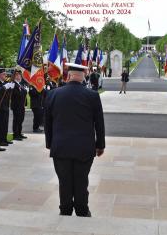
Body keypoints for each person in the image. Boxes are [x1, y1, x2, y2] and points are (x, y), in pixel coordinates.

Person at [44, 63, 105, 217]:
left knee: (64, 181)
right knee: (81, 180)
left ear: (69, 76)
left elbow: (48, 122)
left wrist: (50, 143)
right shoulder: (92, 95)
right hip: (84, 147)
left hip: (60, 146)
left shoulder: (53, 94)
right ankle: (82, 210)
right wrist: (100, 145)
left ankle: (65, 210)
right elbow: (99, 123)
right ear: (83, 77)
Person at [11, 70, 27, 141]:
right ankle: (16, 135)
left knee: (21, 120)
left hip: (21, 105)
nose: (19, 77)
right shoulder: (13, 84)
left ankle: (19, 133)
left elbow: (23, 94)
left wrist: (25, 91)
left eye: (20, 75)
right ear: (14, 76)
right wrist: (24, 91)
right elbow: (16, 94)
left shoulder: (20, 84)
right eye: (17, 75)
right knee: (17, 120)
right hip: (16, 105)